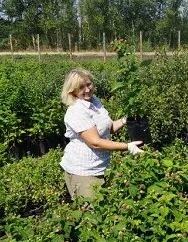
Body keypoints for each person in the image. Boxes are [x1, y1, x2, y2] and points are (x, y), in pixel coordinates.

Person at [59, 68, 143, 200]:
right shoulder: (77, 111)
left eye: (89, 84)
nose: (87, 90)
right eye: (81, 87)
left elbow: (107, 129)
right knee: (92, 215)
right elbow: (95, 142)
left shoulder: (94, 101)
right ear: (72, 91)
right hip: (84, 172)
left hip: (101, 167)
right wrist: (127, 146)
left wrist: (124, 120)